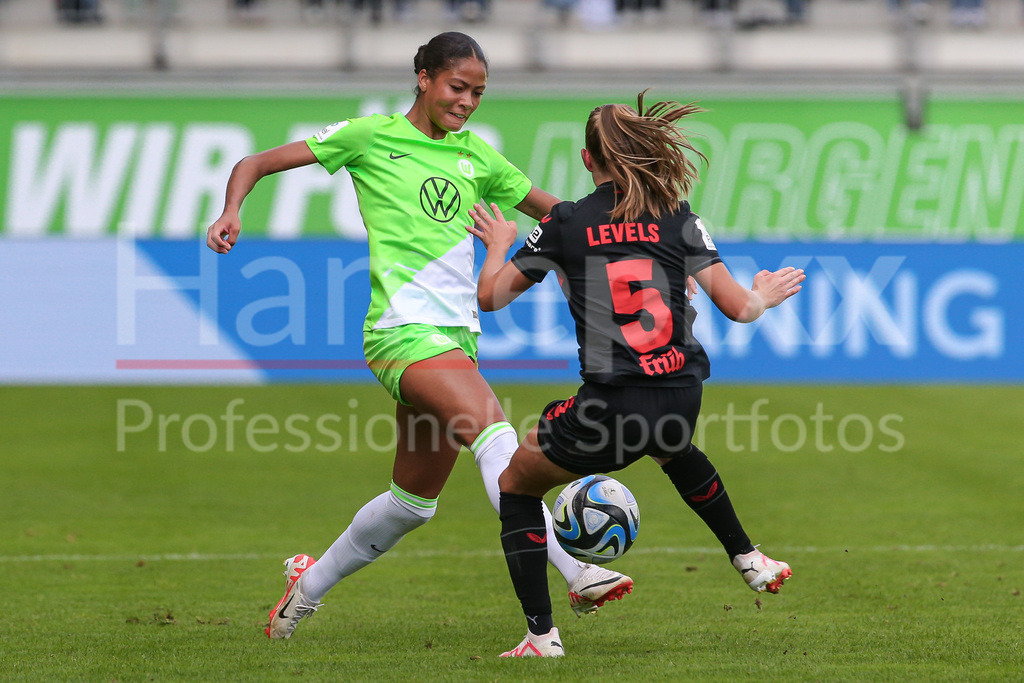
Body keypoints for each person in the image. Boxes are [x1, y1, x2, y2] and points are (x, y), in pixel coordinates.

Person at [205, 31, 632, 642]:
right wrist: (232, 210)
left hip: (455, 341)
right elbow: (255, 163)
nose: (466, 102)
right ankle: (575, 572)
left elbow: (560, 214)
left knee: (412, 504)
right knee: (497, 439)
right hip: (401, 333)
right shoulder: (371, 136)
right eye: (458, 87)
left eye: (478, 92)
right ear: (424, 77)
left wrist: (637, 246)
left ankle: (303, 591)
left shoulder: (477, 158)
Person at [466, 92, 805, 657]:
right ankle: (750, 558)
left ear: (585, 159)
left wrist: (499, 246)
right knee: (674, 448)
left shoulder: (565, 222)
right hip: (680, 396)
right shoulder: (679, 217)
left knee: (516, 484)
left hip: (611, 405)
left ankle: (541, 637)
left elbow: (491, 297)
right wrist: (764, 297)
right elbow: (740, 309)